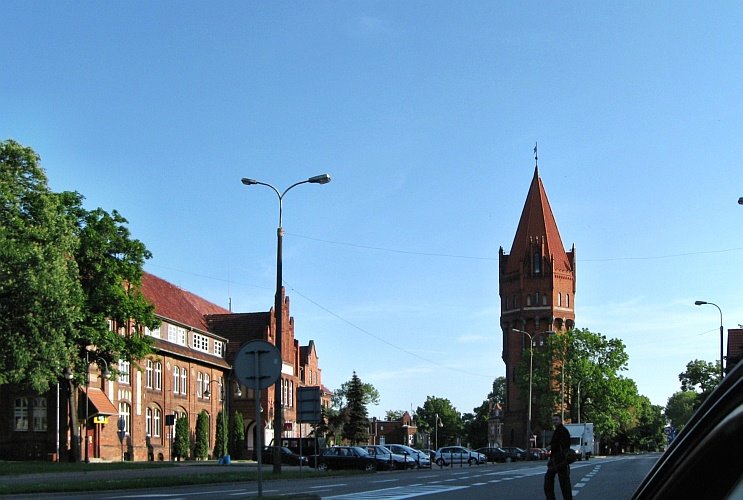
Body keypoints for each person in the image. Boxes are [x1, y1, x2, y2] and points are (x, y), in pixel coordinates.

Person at [544, 414, 573, 500]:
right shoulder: (558, 430)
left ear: (561, 420)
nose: (554, 421)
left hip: (561, 460)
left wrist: (551, 446)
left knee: (563, 483)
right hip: (556, 460)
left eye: (556, 420)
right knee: (551, 481)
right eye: (553, 420)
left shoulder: (563, 430)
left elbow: (563, 444)